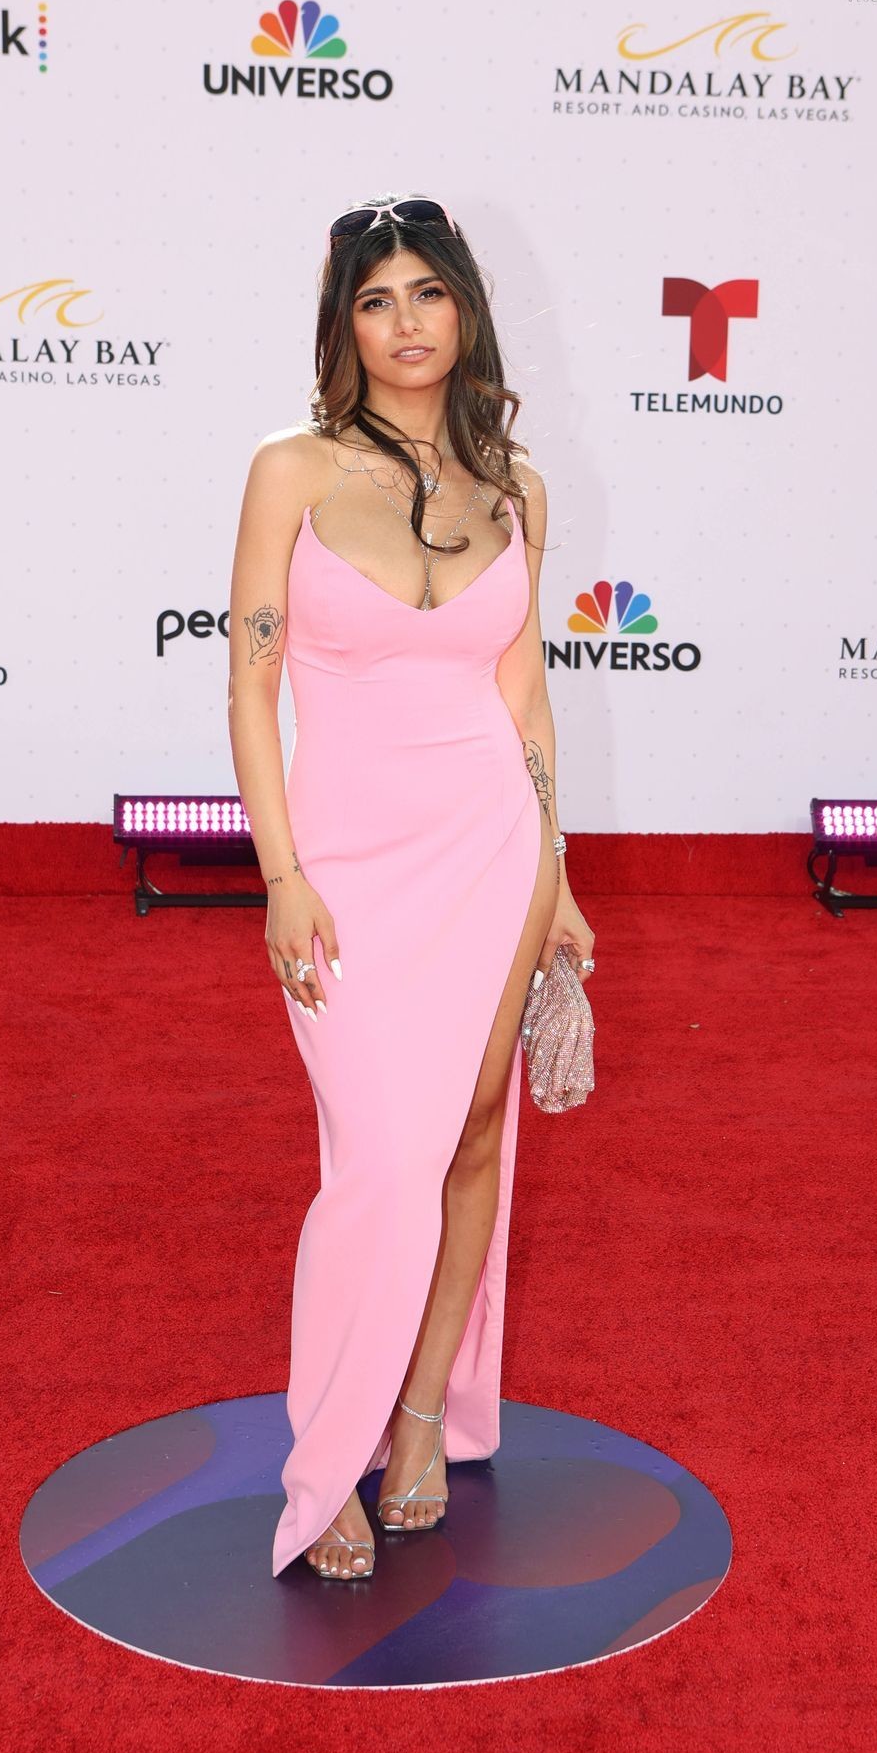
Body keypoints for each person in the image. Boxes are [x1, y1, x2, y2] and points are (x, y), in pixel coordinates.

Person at [226, 193, 596, 1582]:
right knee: (380, 1159)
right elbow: (251, 688)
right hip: (342, 863)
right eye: (375, 300)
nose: (405, 323)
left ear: (466, 309)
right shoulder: (292, 470)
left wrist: (559, 875)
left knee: (477, 1135)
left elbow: (528, 698)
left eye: (427, 293)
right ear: (345, 326)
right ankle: (328, 1456)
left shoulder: (517, 491)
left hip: (496, 847)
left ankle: (427, 1412)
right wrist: (280, 873)